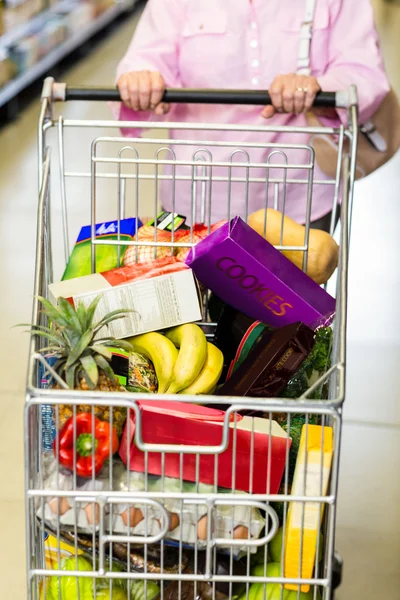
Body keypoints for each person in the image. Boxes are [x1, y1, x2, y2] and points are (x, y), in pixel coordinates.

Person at [114, 0, 389, 230]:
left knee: (292, 294)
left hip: (299, 198)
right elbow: (145, 58)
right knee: (188, 294)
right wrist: (141, 81)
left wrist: (320, 89)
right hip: (194, 199)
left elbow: (362, 71)